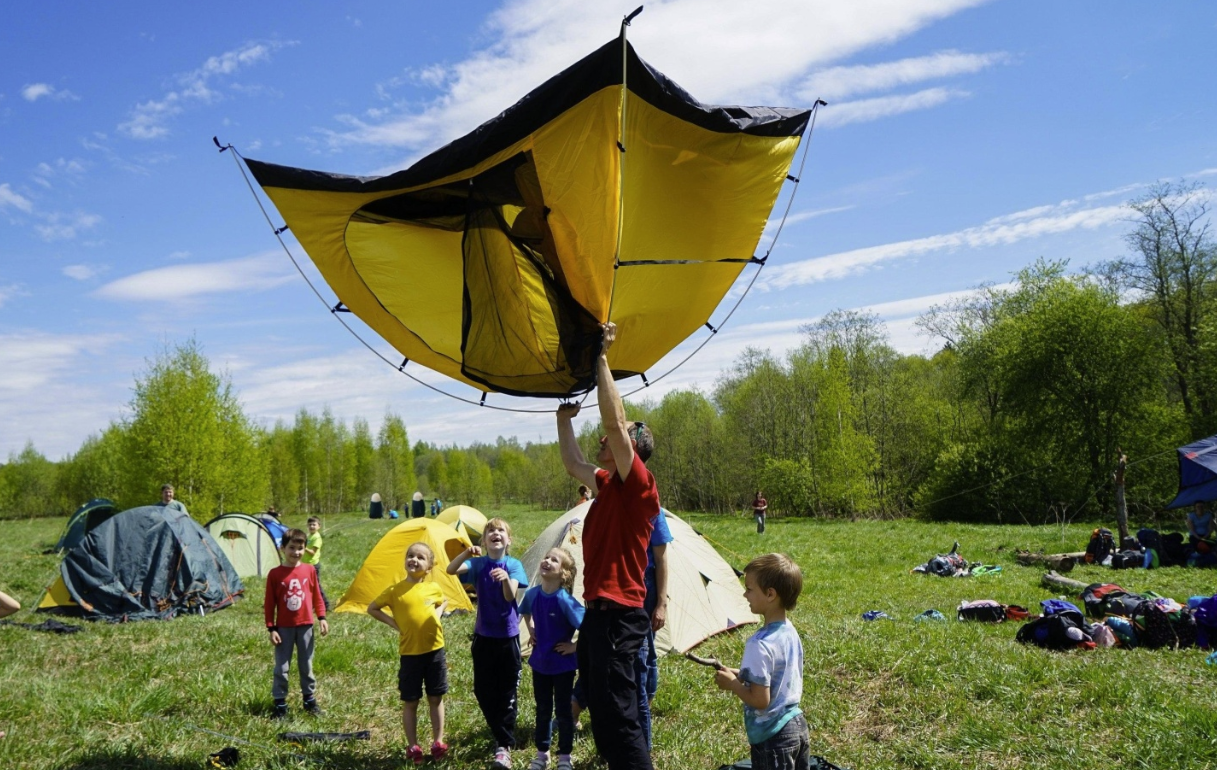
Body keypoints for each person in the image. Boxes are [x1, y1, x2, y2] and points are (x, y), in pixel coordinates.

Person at [557, 321, 659, 770]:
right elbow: (572, 462)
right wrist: (563, 420)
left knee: (621, 713)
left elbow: (615, 424)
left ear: (632, 448)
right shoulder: (605, 486)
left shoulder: (639, 487)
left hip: (621, 617)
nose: (603, 439)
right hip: (596, 616)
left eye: (616, 439)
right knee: (600, 708)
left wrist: (602, 357)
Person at [713, 553, 810, 770]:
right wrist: (741, 674)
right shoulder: (789, 631)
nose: (744, 594)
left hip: (773, 737)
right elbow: (777, 672)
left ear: (770, 594)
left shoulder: (759, 643)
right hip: (797, 726)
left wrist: (732, 684)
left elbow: (760, 700)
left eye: (749, 589)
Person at [447, 518, 529, 769]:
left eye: (501, 530)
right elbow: (450, 570)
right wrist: (465, 553)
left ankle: (503, 745)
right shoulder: (478, 563)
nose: (496, 533)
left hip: (508, 638)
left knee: (507, 692)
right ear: (484, 540)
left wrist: (505, 578)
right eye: (490, 531)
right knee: (483, 690)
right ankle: (501, 735)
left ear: (508, 539)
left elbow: (509, 595)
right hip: (483, 638)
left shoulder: (514, 565)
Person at [368, 542, 450, 765]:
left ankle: (438, 742)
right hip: (410, 655)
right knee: (411, 701)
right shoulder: (395, 591)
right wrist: (394, 624)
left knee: (435, 697)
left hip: (435, 651)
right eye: (411, 555)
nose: (414, 560)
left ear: (429, 567)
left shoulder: (433, 588)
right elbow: (372, 608)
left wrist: (439, 612)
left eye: (421, 557)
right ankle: (413, 746)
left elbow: (443, 601)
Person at [520, 547, 584, 770]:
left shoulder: (565, 600)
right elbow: (525, 610)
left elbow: (589, 628)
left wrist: (574, 646)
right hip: (540, 664)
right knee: (543, 710)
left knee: (564, 712)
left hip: (562, 666)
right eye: (546, 557)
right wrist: (531, 628)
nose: (547, 561)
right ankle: (542, 754)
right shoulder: (532, 594)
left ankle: (565, 757)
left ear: (564, 573)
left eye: (554, 560)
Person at [264, 528, 328, 719]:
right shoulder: (275, 574)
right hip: (283, 628)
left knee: (306, 665)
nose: (296, 552)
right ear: (282, 548)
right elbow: (269, 604)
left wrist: (322, 617)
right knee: (282, 667)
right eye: (291, 548)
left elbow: (317, 596)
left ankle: (309, 700)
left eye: (300, 548)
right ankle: (280, 704)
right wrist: (271, 628)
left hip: (306, 625)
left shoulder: (309, 570)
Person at [636, 508, 671, 749]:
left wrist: (661, 603)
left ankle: (644, 709)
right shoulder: (612, 503)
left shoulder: (652, 510)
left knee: (646, 652)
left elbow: (661, 559)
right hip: (618, 586)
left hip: (646, 585)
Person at [302, 517, 331, 612]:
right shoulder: (309, 536)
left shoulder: (317, 537)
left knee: (316, 586)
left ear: (319, 526)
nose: (311, 526)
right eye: (310, 525)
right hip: (306, 565)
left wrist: (303, 547)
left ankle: (326, 604)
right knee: (308, 585)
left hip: (313, 565)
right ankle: (311, 604)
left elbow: (312, 552)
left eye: (314, 524)